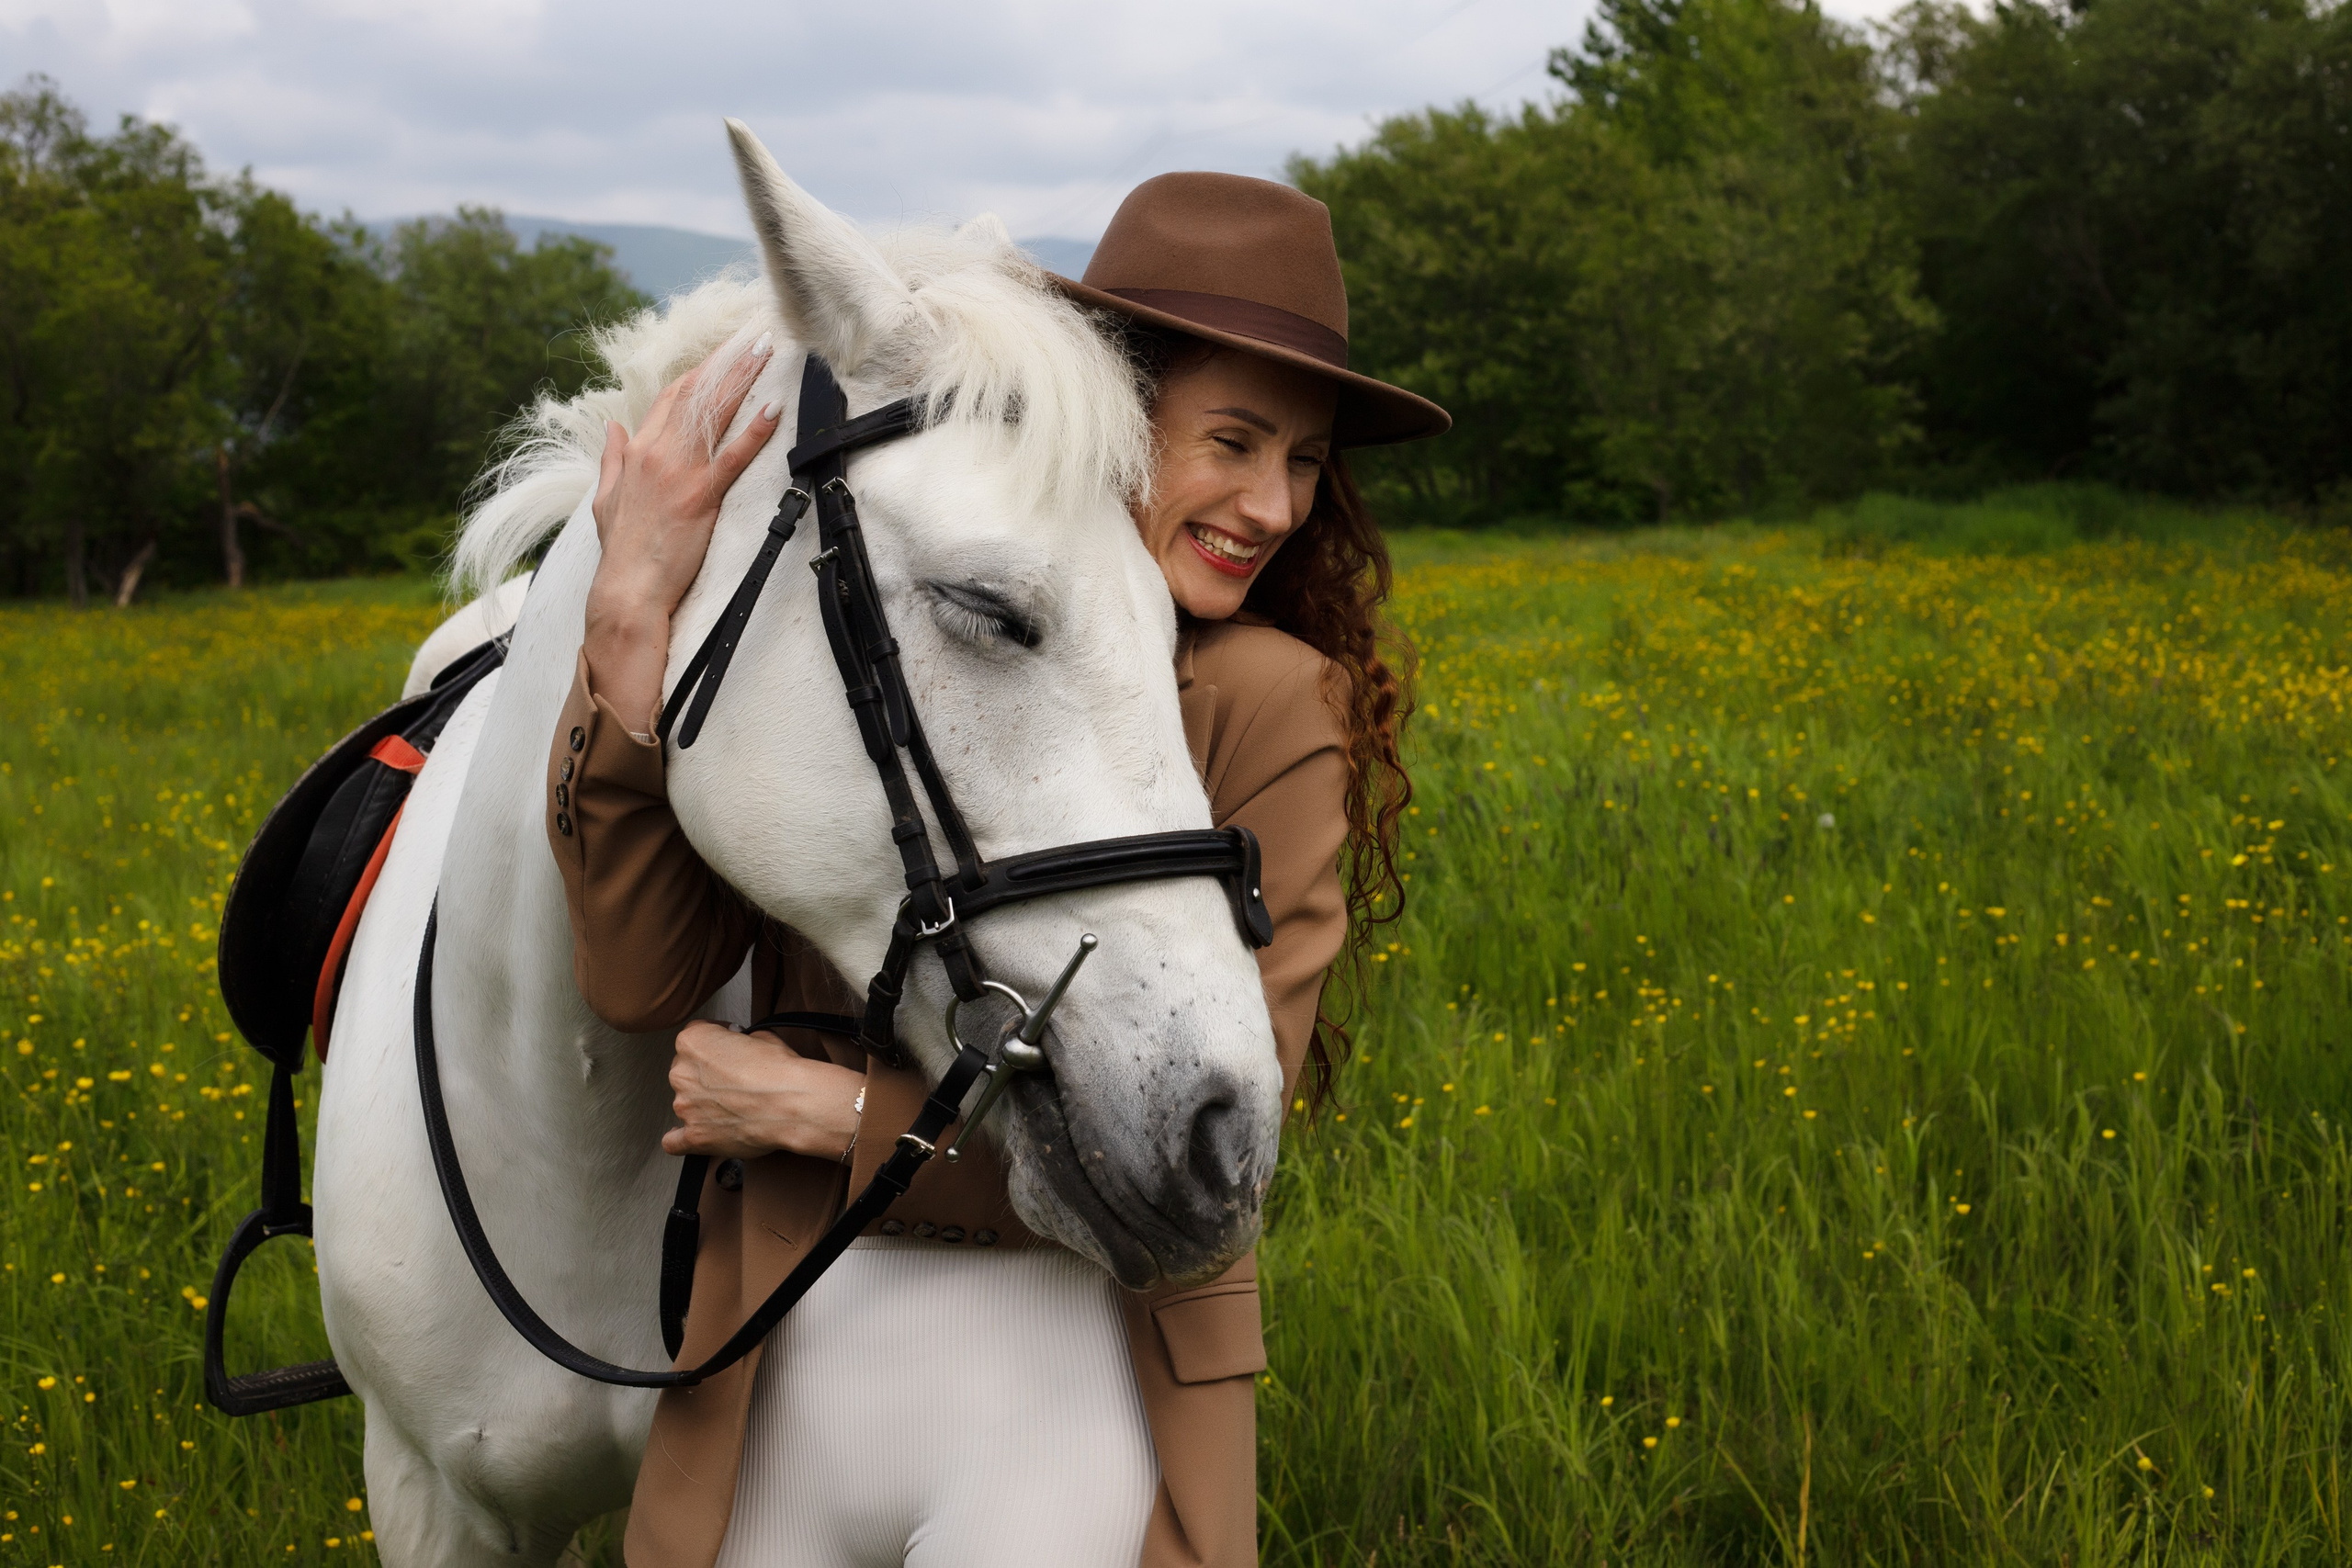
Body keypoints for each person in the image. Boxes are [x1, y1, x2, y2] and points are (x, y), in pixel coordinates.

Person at [546, 172, 1447, 1568]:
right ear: (1109, 416)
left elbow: (1206, 1161)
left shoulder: (1273, 703)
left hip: (1075, 1352)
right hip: (786, 1328)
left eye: (1308, 461)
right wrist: (625, 628)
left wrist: (829, 1112)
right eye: (1232, 441)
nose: (1273, 505)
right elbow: (636, 973)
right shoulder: (900, 621)